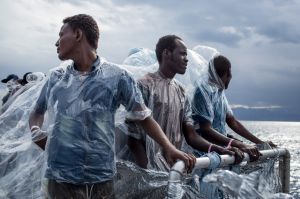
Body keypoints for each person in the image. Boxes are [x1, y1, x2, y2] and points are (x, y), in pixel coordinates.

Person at [28, 14, 195, 198]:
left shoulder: (117, 77)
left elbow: (144, 117)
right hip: (59, 179)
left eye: (61, 34)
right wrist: (35, 130)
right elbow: (37, 110)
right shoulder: (56, 78)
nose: (56, 42)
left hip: (100, 179)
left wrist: (169, 147)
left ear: (77, 34)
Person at [127, 35, 243, 172]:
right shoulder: (144, 86)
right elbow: (133, 137)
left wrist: (219, 149)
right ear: (166, 53)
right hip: (149, 171)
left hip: (174, 169)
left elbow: (191, 136)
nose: (186, 59)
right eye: (182, 54)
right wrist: (147, 172)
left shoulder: (181, 92)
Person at [192, 55, 275, 162]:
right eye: (229, 73)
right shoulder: (203, 92)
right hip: (206, 152)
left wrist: (261, 143)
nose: (231, 77)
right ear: (227, 73)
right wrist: (236, 144)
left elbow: (232, 122)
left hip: (221, 148)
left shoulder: (219, 93)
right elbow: (205, 129)